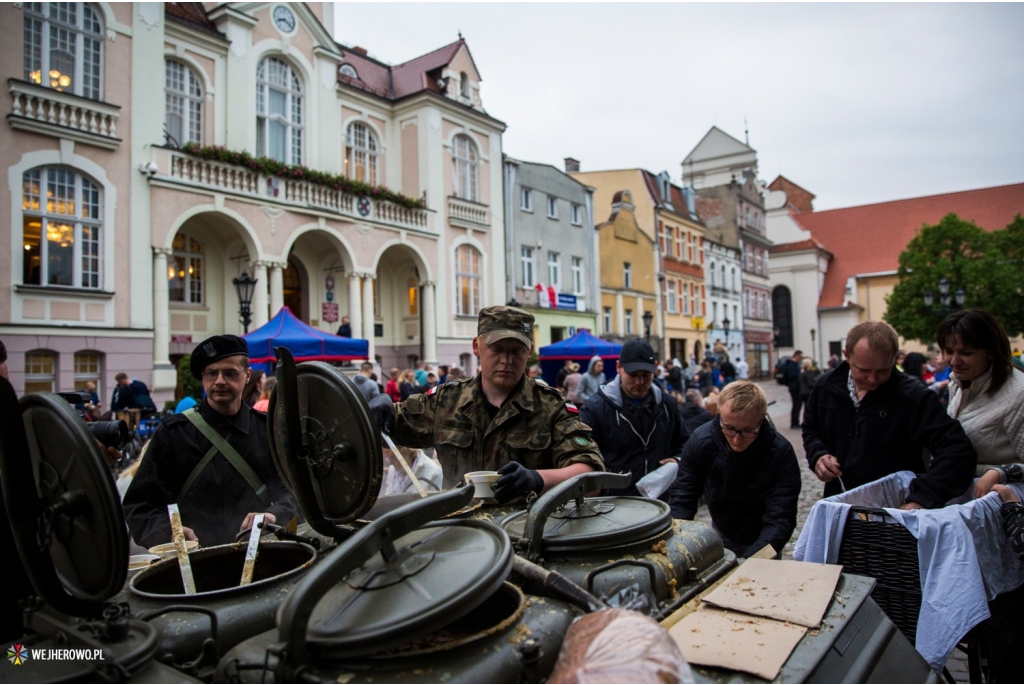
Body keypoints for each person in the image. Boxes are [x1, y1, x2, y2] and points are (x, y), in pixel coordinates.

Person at [372, 306, 605, 502]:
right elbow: (388, 426)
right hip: (458, 532)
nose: (506, 360)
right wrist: (381, 408)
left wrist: (538, 479)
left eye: (516, 351)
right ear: (476, 346)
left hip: (527, 536)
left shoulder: (551, 408)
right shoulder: (446, 401)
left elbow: (592, 476)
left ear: (529, 352)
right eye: (497, 349)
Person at [122, 335, 300, 548]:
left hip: (260, 558)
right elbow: (140, 507)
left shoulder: (267, 431)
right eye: (211, 373)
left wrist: (273, 515)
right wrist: (169, 534)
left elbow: (296, 495)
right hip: (192, 568)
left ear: (247, 376)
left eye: (230, 373)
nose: (219, 381)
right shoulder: (173, 434)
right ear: (203, 378)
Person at [802, 321, 976, 508]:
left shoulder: (914, 397)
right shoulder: (825, 387)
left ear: (894, 359)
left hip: (896, 510)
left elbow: (957, 451)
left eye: (883, 370)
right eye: (864, 370)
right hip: (840, 505)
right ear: (847, 356)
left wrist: (922, 498)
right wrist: (818, 455)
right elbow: (811, 429)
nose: (873, 379)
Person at [670, 381, 801, 558]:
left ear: (761, 420)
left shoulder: (780, 453)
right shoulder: (701, 442)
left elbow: (782, 519)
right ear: (718, 415)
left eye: (747, 431)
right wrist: (677, 545)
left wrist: (756, 559)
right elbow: (683, 497)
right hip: (723, 528)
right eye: (729, 429)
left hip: (768, 535)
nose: (737, 440)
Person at [580, 339, 688, 498]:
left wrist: (677, 460)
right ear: (618, 367)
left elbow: (684, 442)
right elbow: (584, 456)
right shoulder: (595, 409)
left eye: (646, 375)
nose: (640, 382)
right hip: (614, 502)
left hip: (659, 499)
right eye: (633, 375)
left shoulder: (667, 405)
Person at [936, 310, 1024, 497]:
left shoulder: (1019, 394)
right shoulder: (957, 383)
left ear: (991, 352)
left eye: (966, 353)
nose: (954, 361)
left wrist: (1001, 472)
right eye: (949, 351)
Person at [783, 350, 804, 429]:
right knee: (796, 405)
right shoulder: (791, 364)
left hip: (797, 387)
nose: (800, 358)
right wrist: (800, 373)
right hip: (794, 387)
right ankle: (794, 423)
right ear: (796, 355)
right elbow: (792, 375)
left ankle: (796, 422)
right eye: (800, 356)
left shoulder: (796, 364)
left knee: (798, 405)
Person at [797, 357, 820, 423]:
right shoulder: (809, 372)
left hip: (803, 392)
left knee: (805, 408)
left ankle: (805, 420)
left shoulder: (802, 372)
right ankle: (808, 421)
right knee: (809, 408)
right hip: (808, 392)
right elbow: (810, 383)